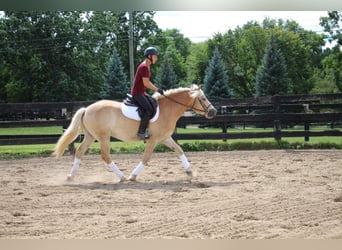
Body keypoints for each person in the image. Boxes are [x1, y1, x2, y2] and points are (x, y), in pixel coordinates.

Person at [131, 46, 164, 140]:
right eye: (155, 56)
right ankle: (141, 132)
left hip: (142, 92)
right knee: (149, 109)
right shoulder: (144, 67)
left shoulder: (147, 66)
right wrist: (157, 89)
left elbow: (146, 83)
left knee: (153, 103)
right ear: (149, 56)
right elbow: (146, 83)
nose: (156, 58)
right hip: (138, 93)